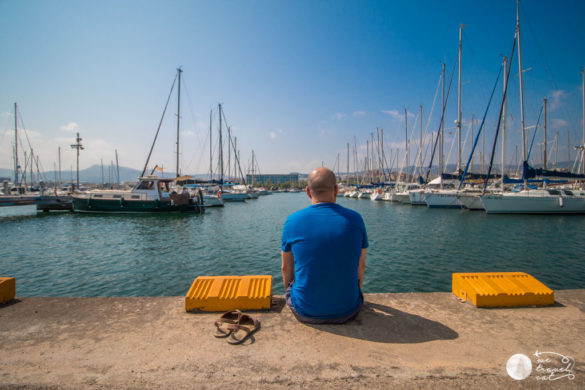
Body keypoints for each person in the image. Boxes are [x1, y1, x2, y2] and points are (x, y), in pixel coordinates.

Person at [281, 167, 368, 323]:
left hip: (305, 311)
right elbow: (361, 267)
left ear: (308, 191)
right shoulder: (355, 219)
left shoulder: (292, 221)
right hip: (348, 310)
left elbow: (286, 268)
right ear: (336, 190)